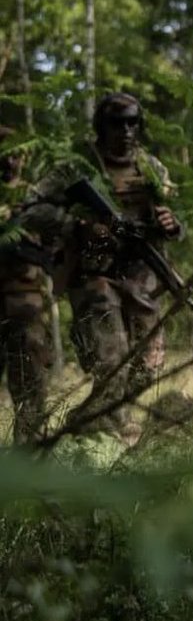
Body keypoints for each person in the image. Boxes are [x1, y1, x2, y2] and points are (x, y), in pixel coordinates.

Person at [26, 93, 183, 441]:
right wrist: (77, 225)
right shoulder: (77, 167)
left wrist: (172, 223)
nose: (126, 130)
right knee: (111, 365)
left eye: (132, 122)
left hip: (140, 279)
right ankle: (108, 450)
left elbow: (171, 216)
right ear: (101, 126)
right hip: (93, 278)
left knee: (147, 368)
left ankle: (85, 423)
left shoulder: (151, 168)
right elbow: (32, 208)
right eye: (117, 122)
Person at [0, 127, 53, 444]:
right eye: (5, 154)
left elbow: (55, 249)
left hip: (25, 305)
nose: (11, 162)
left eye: (16, 154)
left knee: (31, 390)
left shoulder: (34, 199)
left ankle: (30, 464)